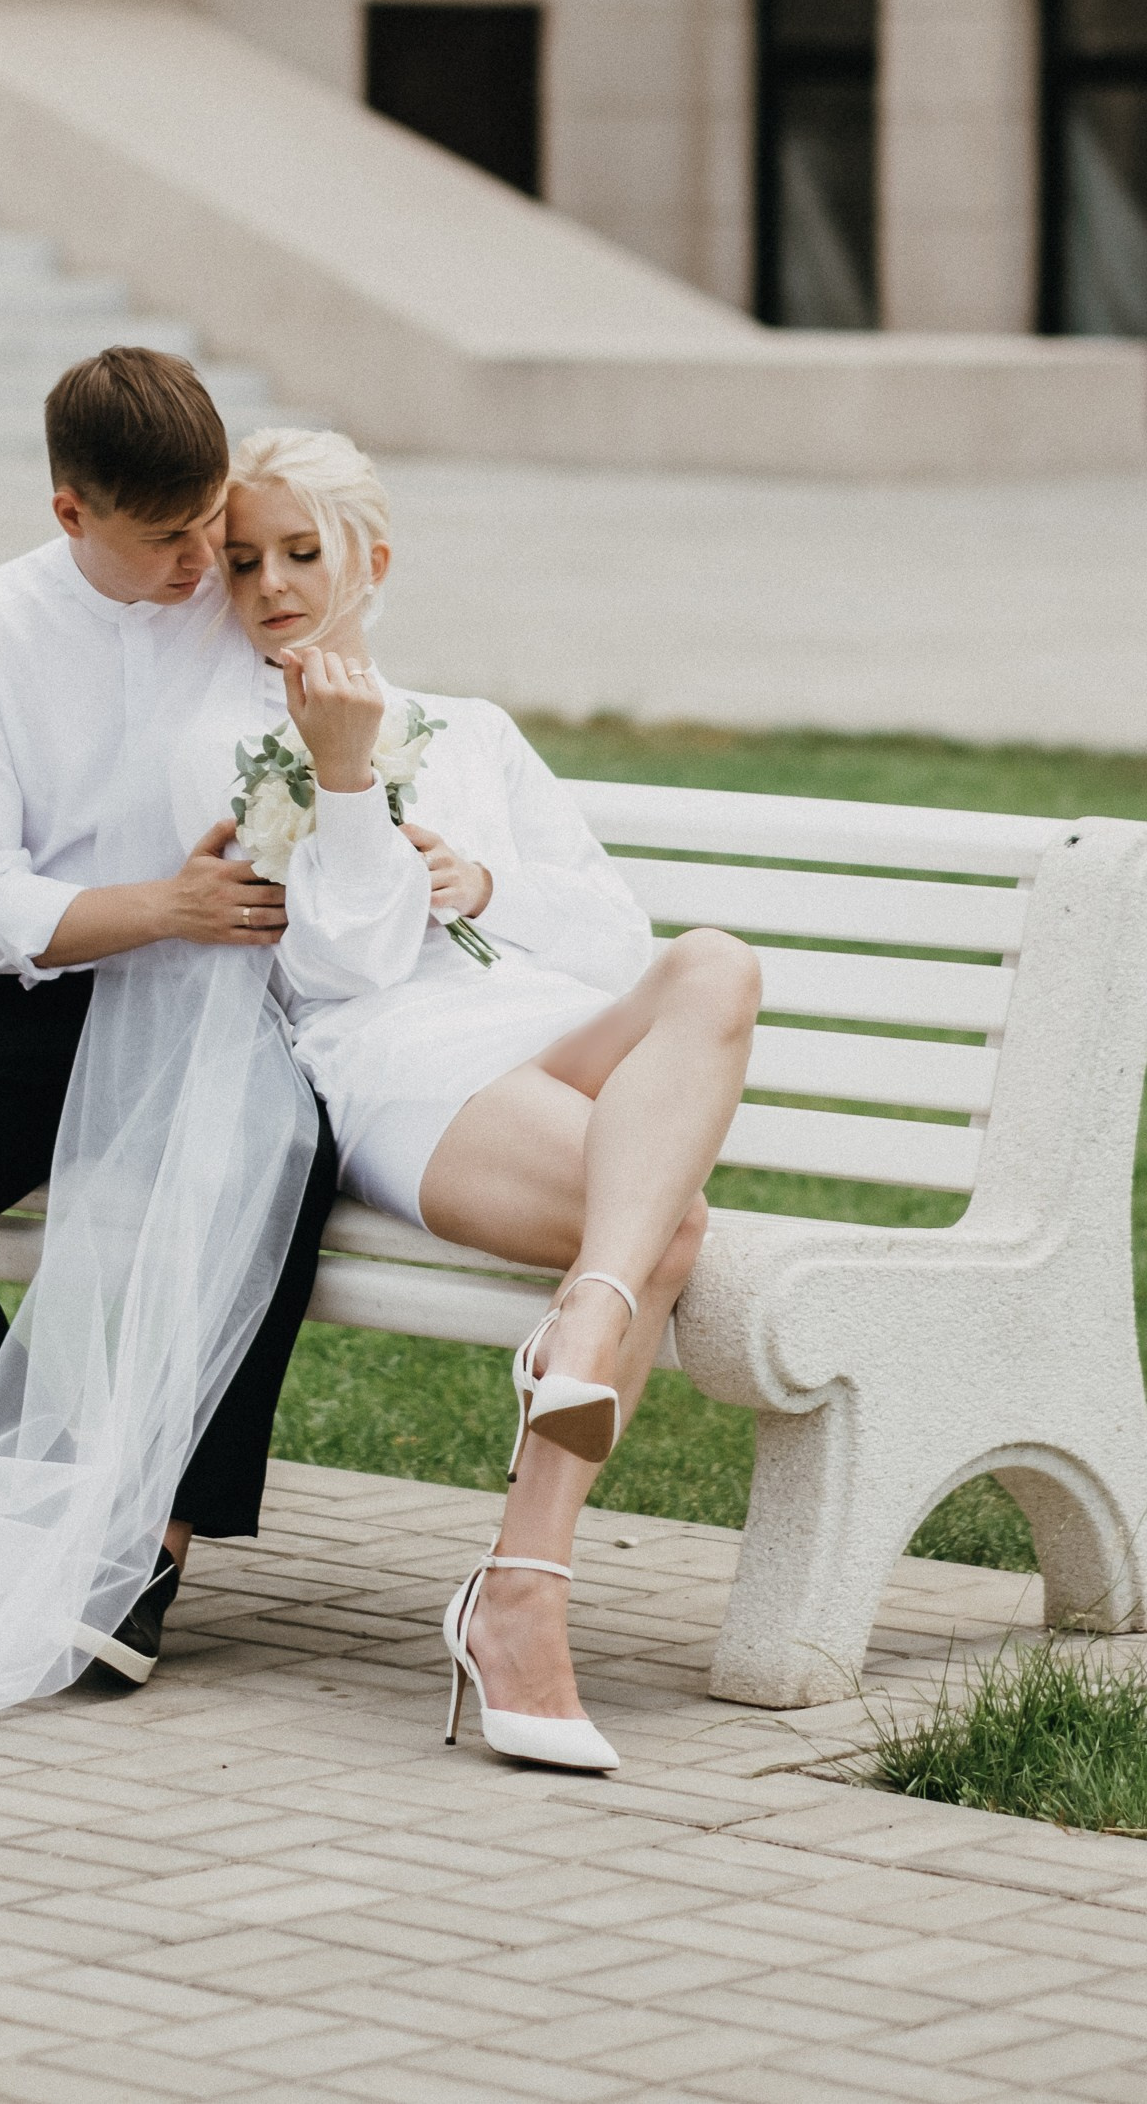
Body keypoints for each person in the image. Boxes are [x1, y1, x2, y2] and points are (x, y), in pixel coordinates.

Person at [171, 424, 759, 1776]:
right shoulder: (228, 746)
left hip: (550, 1029)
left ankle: (583, 1318)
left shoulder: (474, 734)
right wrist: (344, 783)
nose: (269, 586)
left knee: (716, 964)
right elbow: (339, 970)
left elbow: (620, 939)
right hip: (394, 1061)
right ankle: (518, 1598)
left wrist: (486, 886)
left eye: (302, 554)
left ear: (372, 560)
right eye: (242, 561)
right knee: (664, 1228)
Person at [0, 348, 343, 1685]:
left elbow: (348, 742)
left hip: (224, 1004)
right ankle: (43, 1486)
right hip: (33, 1000)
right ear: (68, 514)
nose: (196, 565)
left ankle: (149, 1532)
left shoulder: (241, 597)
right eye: (164, 539)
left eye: (208, 526)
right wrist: (164, 905)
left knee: (281, 1160)